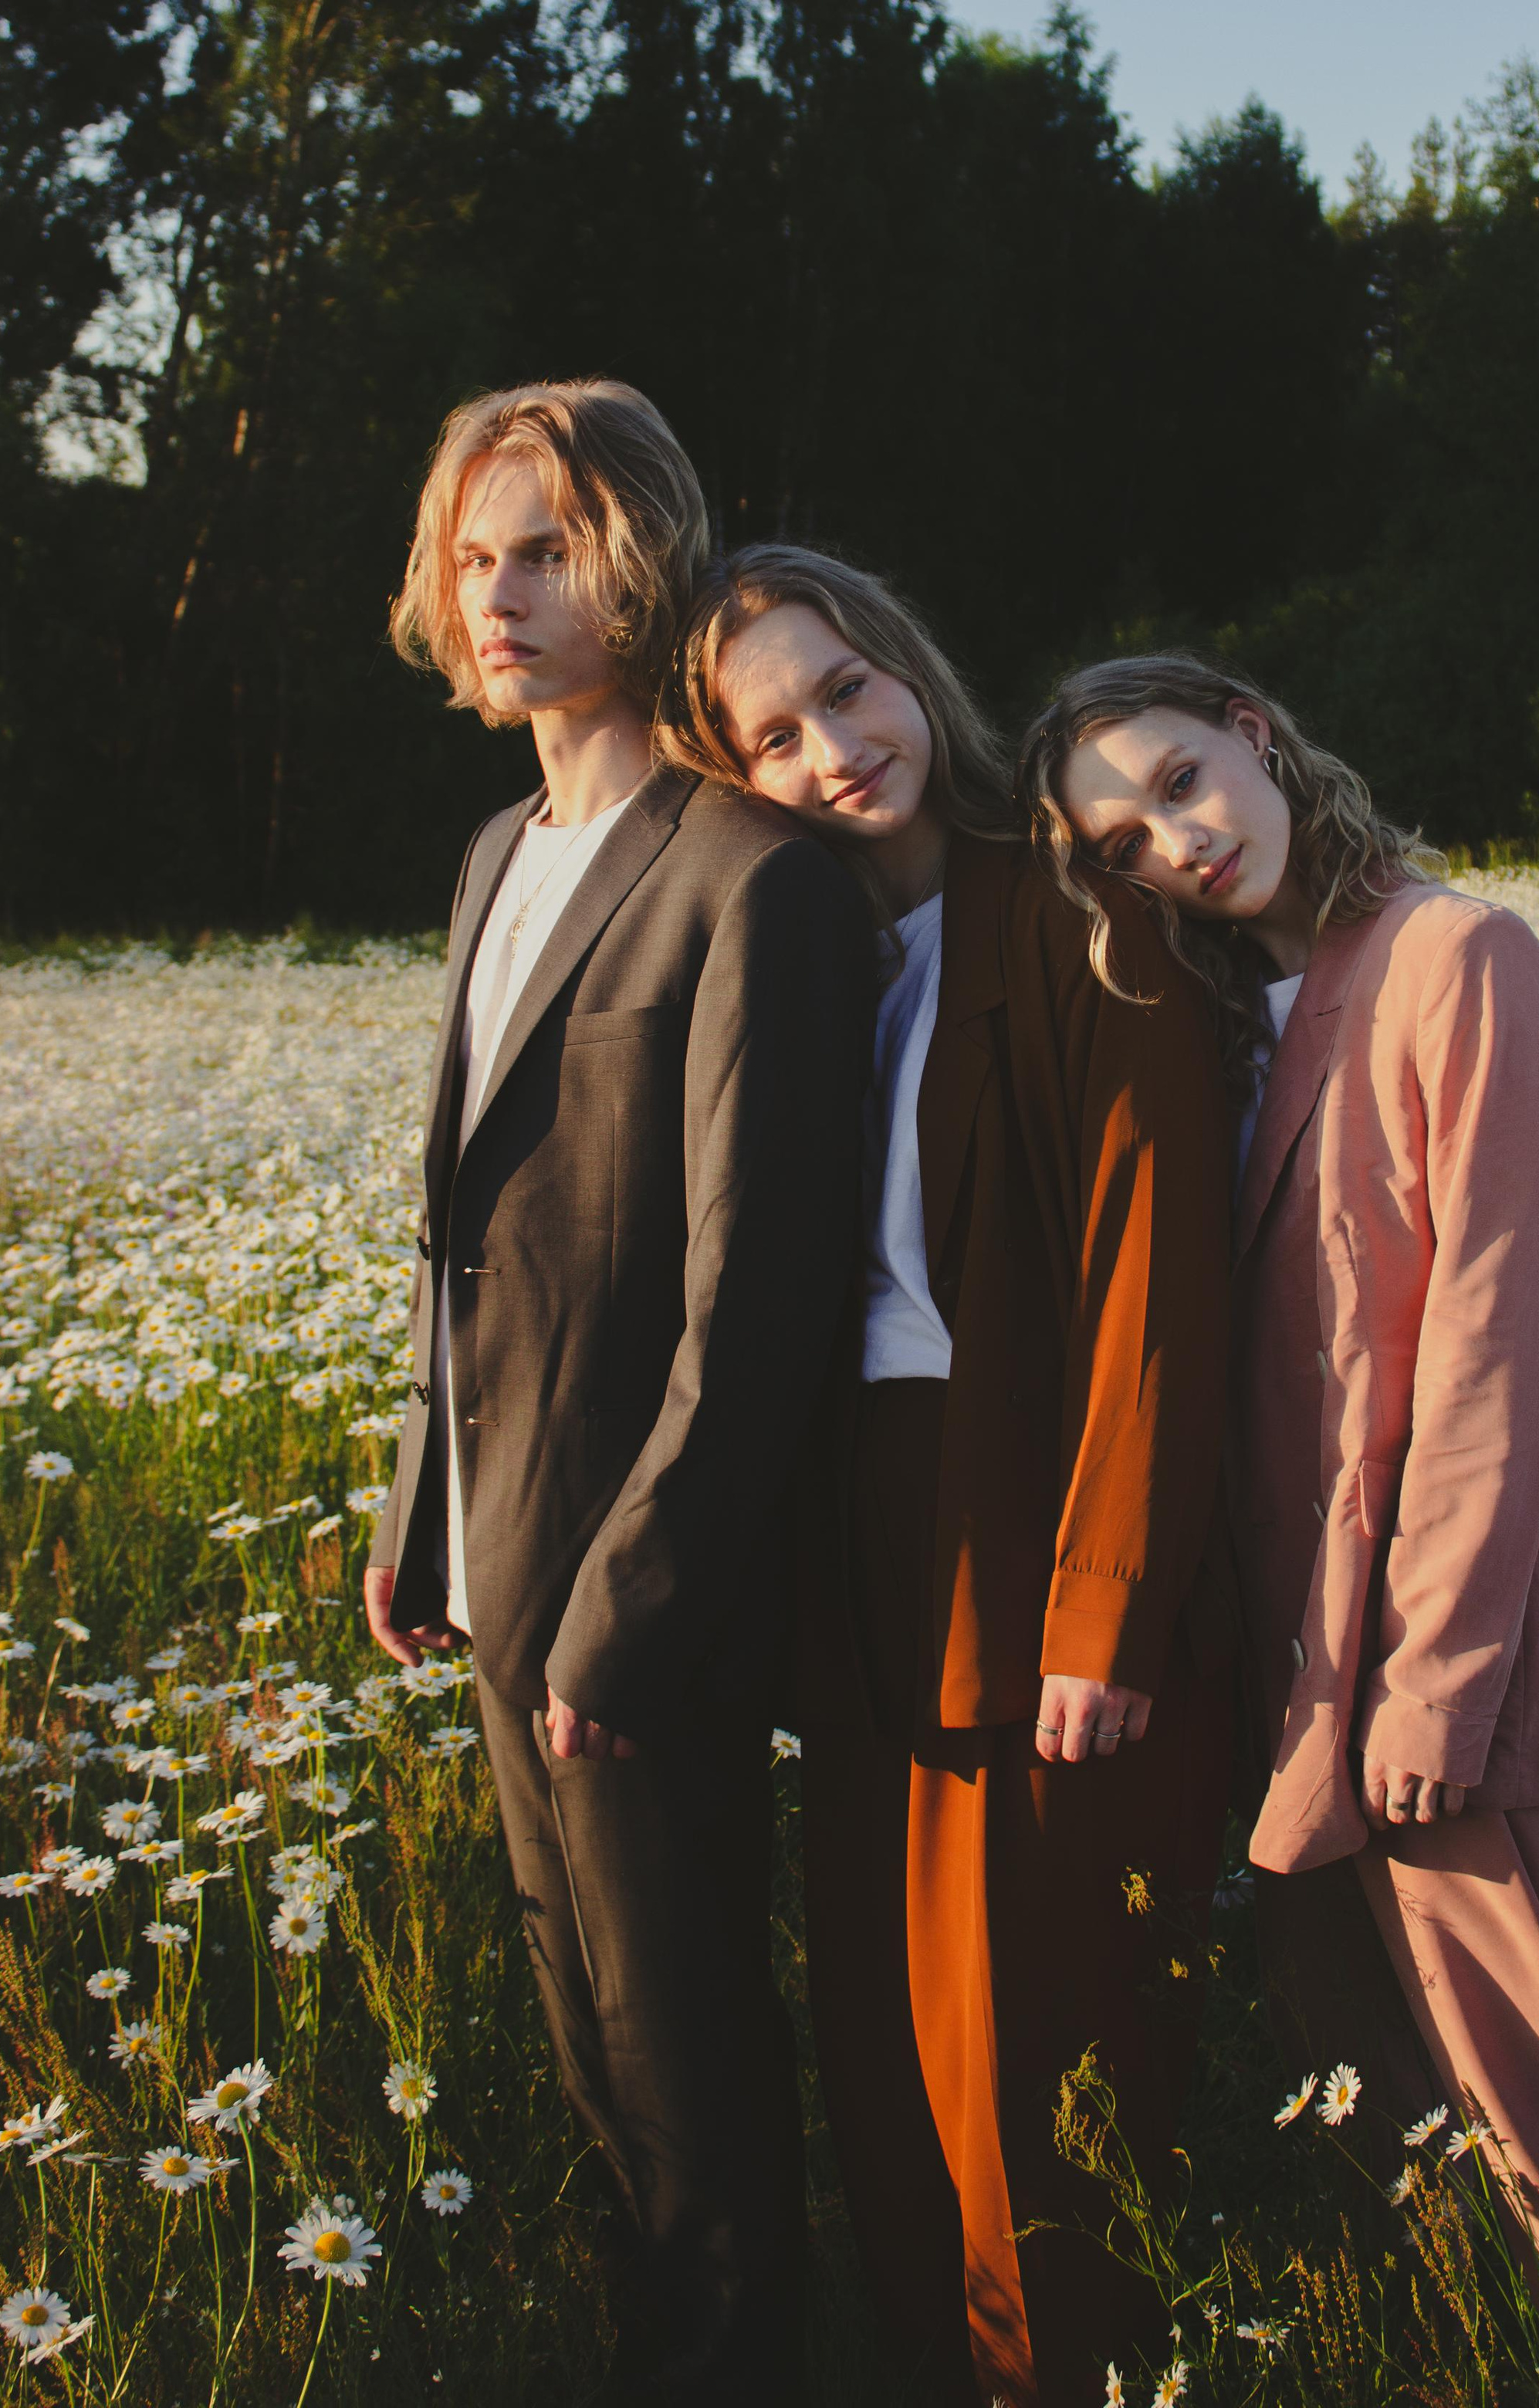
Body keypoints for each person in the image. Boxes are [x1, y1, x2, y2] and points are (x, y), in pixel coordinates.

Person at [1020, 653, 1539, 2408]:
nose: (1168, 843)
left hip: (1439, 1662)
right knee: (1381, 2118)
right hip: (1292, 1666)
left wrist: (1431, 1695)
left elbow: (1492, 1355)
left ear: (1255, 737)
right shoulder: (1224, 1015)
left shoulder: (1452, 958)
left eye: (1179, 782)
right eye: (1118, 836)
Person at [667, 548, 1234, 2408]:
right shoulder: (792, 959)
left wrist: (1106, 1600)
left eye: (846, 689)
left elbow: (1161, 1281)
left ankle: (1067, 2380)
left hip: (1031, 1530)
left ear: (908, 666)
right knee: (887, 2036)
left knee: (1036, 2044)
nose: (830, 748)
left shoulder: (1073, 917)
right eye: (771, 733)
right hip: (857, 1557)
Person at [363, 384, 873, 2407]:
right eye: (475, 555)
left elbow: (758, 1298)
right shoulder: (500, 851)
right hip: (493, 1560)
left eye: (548, 549)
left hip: (633, 1595)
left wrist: (629, 1604)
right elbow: (463, 1224)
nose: (501, 594)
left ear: (641, 556)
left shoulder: (755, 873)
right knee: (586, 2054)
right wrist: (424, 1508)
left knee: (693, 2070)